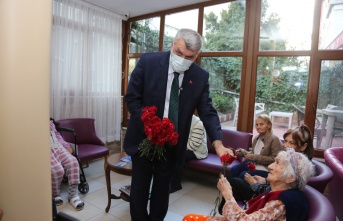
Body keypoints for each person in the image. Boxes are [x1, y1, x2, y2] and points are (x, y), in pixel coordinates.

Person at [123, 28, 230, 221]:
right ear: (173, 44)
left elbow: (207, 111)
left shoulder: (199, 76)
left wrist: (218, 143)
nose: (183, 59)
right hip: (142, 138)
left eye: (189, 57)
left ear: (197, 55)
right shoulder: (148, 62)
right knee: (139, 189)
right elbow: (132, 98)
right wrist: (149, 124)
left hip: (172, 144)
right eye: (179, 53)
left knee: (162, 191)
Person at [183, 148, 315, 221]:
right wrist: (225, 219)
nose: (269, 166)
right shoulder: (279, 194)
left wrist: (228, 195)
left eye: (277, 163)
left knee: (189, 219)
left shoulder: (280, 203)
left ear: (290, 178)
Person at [218, 124, 314, 214]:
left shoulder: (299, 170)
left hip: (262, 189)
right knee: (237, 172)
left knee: (237, 180)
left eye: (291, 143)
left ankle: (228, 207)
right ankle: (228, 208)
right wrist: (264, 180)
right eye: (285, 141)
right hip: (264, 186)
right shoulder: (257, 138)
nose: (286, 146)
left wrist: (229, 195)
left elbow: (276, 190)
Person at [229, 114, 283, 179]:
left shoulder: (274, 139)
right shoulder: (256, 138)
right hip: (253, 166)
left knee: (243, 175)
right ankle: (230, 189)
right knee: (234, 169)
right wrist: (242, 152)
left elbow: (275, 159)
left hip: (265, 169)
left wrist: (255, 157)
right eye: (257, 124)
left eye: (261, 124)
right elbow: (253, 153)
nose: (258, 127)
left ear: (269, 125)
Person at [50, 121, 84, 211]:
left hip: (58, 147)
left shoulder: (50, 123)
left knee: (73, 162)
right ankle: (55, 194)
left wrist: (66, 145)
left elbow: (57, 136)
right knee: (57, 170)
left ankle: (73, 195)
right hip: (46, 149)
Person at [170, 114, 208, 193]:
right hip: (183, 146)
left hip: (197, 151)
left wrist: (178, 148)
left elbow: (193, 145)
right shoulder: (178, 120)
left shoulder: (198, 123)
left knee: (179, 156)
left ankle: (175, 185)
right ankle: (166, 180)